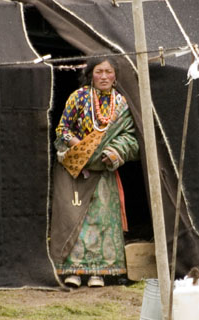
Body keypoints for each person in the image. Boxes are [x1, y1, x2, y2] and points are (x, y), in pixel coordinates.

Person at [50, 55, 139, 288]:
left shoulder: (121, 104)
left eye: (108, 72)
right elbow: (62, 130)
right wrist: (79, 146)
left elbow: (130, 138)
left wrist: (114, 151)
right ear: (90, 75)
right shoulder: (78, 98)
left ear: (115, 76)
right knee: (75, 219)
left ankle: (99, 273)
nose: (104, 76)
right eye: (99, 71)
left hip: (104, 171)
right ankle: (74, 272)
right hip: (76, 170)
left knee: (101, 220)